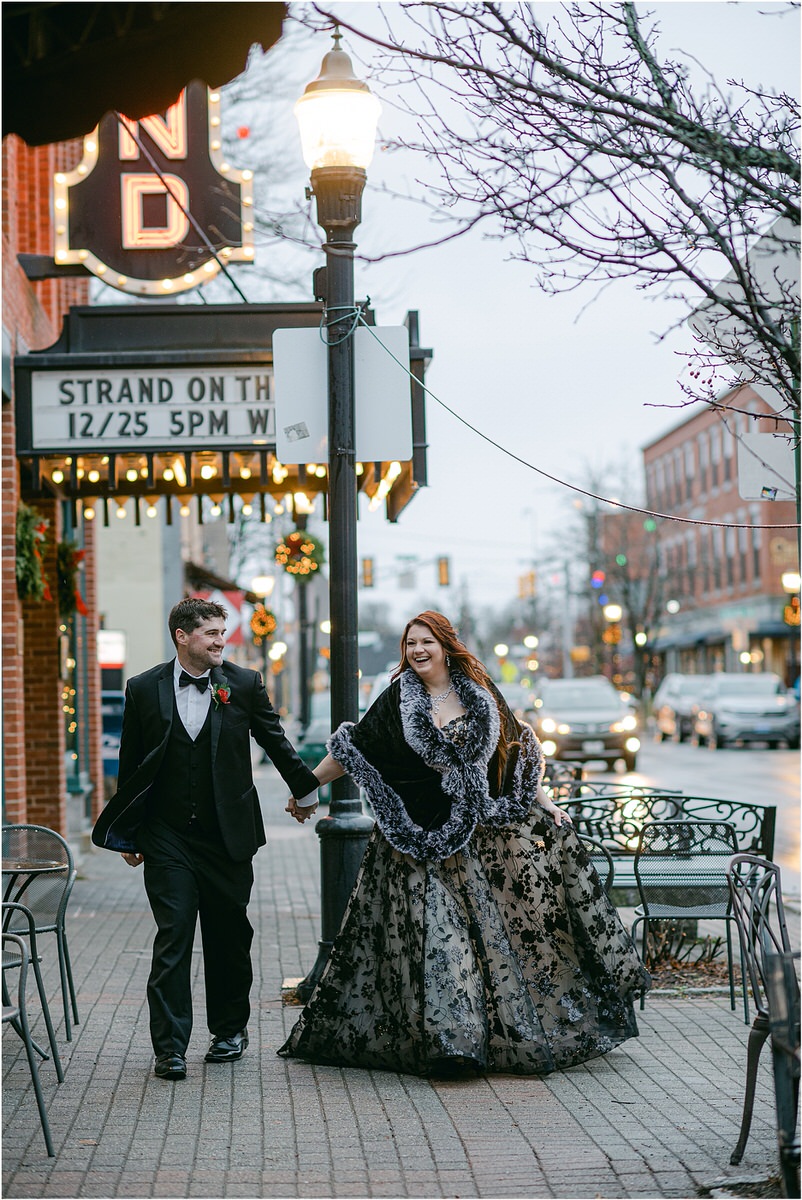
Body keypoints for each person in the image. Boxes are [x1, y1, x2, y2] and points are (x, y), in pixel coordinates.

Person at [281, 611, 650, 1078]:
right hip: (416, 841)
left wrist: (547, 802)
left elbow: (515, 750)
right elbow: (355, 749)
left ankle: (481, 1038)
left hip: (480, 844)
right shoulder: (396, 699)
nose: (417, 650)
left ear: (445, 645)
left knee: (488, 945)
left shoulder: (479, 692)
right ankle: (449, 1045)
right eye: (410, 643)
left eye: (426, 642)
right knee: (440, 937)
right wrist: (306, 787)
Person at [92, 597, 319, 1082]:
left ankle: (229, 1032)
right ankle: (169, 1048)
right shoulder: (142, 688)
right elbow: (130, 764)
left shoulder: (243, 683)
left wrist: (304, 788)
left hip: (227, 836)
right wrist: (129, 829)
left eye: (222, 632)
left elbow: (274, 740)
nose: (221, 641)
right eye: (212, 633)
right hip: (166, 835)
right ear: (182, 636)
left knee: (228, 936)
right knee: (173, 935)